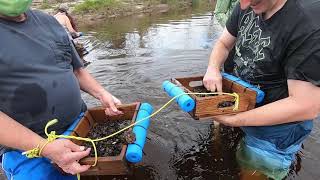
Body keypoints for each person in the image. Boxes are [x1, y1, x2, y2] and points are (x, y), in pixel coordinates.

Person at [0, 0, 123, 179]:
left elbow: (76, 69)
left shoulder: (49, 21)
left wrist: (102, 93)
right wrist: (45, 148)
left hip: (81, 128)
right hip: (27, 151)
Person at [203, 0, 320, 179]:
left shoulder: (308, 24)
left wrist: (234, 121)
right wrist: (213, 68)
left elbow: (307, 106)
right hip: (243, 107)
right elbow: (224, 44)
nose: (244, 6)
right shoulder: (245, 5)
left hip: (275, 132)